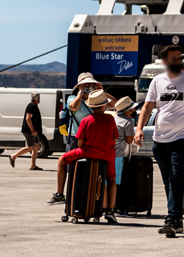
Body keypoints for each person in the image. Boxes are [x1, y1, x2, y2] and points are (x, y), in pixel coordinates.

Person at [136, 45, 184, 237]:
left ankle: (172, 218)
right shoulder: (157, 81)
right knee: (168, 180)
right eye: (175, 59)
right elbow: (147, 106)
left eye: (180, 58)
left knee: (176, 178)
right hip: (160, 141)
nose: (179, 62)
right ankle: (177, 220)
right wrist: (139, 129)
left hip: (183, 139)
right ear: (166, 62)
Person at [46, 90, 119, 224]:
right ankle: (110, 211)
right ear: (104, 106)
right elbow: (114, 139)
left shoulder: (86, 120)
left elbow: (80, 143)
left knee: (62, 160)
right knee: (112, 179)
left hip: (88, 152)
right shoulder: (110, 119)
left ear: (90, 106)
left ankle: (59, 194)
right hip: (107, 154)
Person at [66, 73, 115, 152]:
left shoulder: (96, 100)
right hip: (76, 138)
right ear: (80, 86)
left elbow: (115, 104)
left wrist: (102, 92)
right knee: (74, 162)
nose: (89, 87)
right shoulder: (73, 98)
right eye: (86, 85)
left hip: (93, 138)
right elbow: (74, 107)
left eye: (91, 84)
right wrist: (80, 92)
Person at [9, 92, 43, 170]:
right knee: (31, 147)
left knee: (36, 146)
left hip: (34, 131)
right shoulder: (31, 106)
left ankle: (33, 165)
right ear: (37, 99)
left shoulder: (34, 106)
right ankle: (13, 156)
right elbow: (28, 118)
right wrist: (32, 129)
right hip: (29, 131)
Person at [113, 97, 138, 189]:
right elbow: (129, 141)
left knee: (106, 182)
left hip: (108, 153)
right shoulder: (129, 122)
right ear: (128, 112)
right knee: (115, 182)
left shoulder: (113, 119)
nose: (135, 111)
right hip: (118, 154)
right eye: (133, 109)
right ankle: (113, 202)